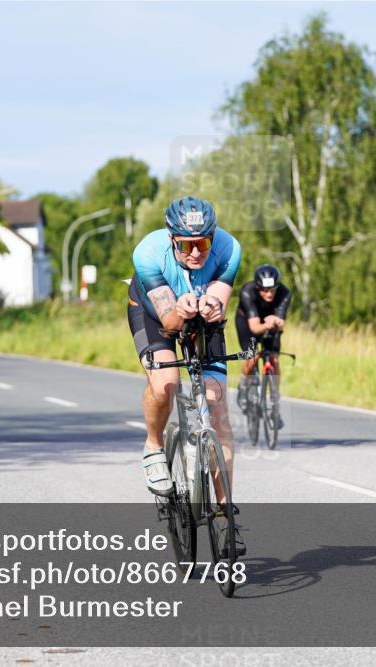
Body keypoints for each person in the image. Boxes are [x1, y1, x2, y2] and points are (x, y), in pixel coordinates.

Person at [127, 195, 244, 554]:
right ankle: (153, 445)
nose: (195, 253)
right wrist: (180, 309)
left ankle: (224, 514)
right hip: (154, 311)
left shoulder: (229, 248)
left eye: (202, 244)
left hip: (200, 317)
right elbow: (169, 320)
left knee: (217, 407)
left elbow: (220, 297)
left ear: (213, 238)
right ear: (170, 239)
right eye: (185, 245)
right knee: (166, 383)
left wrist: (213, 306)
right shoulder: (148, 254)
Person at [234, 264, 292, 415]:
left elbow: (281, 322)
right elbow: (254, 327)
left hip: (270, 323)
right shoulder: (247, 291)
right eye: (265, 290)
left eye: (272, 289)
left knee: (274, 358)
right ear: (257, 287)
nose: (269, 294)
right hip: (248, 323)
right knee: (252, 357)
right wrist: (267, 324)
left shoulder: (285, 293)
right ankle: (244, 385)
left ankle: (274, 399)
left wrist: (277, 322)